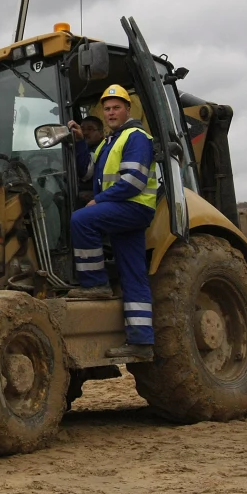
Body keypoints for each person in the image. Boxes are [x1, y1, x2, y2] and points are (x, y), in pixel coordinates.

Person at [64, 84, 159, 360]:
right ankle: (142, 342)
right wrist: (81, 141)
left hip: (133, 206)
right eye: (107, 108)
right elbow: (87, 173)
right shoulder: (109, 141)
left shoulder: (136, 137)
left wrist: (101, 200)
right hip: (125, 209)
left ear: (127, 109)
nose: (111, 112)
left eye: (116, 107)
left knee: (82, 220)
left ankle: (95, 283)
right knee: (133, 273)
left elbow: (133, 181)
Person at [67, 115, 105, 202]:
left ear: (101, 133)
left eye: (90, 129)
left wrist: (80, 141)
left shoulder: (102, 149)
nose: (85, 133)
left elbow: (85, 174)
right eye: (83, 129)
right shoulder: (83, 147)